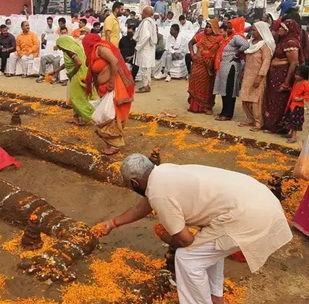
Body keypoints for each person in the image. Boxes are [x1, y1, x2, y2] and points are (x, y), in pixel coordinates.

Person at [95, 154, 292, 304]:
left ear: (135, 183)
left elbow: (185, 240)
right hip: (259, 198)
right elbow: (142, 207)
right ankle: (216, 298)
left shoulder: (159, 193)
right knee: (207, 250)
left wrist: (166, 237)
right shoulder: (163, 172)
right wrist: (112, 223)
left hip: (247, 215)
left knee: (187, 258)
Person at [82, 34, 134, 155]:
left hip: (114, 86)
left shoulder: (100, 48)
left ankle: (114, 145)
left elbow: (114, 61)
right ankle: (111, 143)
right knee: (106, 115)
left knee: (109, 116)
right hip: (105, 88)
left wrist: (111, 82)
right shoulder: (94, 52)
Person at [264, 19, 302, 133]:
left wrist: (286, 82)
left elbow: (294, 63)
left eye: (282, 27)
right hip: (275, 74)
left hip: (282, 75)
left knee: (279, 100)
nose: (279, 29)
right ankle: (271, 124)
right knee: (273, 99)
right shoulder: (284, 41)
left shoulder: (291, 42)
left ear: (288, 30)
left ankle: (277, 126)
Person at [50, 36, 95, 126]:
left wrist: (71, 73)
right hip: (83, 74)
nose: (59, 48)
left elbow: (78, 62)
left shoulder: (70, 51)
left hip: (77, 75)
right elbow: (68, 63)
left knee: (76, 98)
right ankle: (77, 117)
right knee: (80, 96)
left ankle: (87, 117)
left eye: (59, 46)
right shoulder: (74, 48)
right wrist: (56, 70)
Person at [238, 21, 274, 132]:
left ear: (261, 31)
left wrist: (260, 77)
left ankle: (258, 122)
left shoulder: (265, 45)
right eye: (251, 30)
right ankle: (250, 119)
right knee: (245, 97)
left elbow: (266, 62)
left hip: (258, 76)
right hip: (248, 74)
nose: (251, 32)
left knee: (256, 100)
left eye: (254, 30)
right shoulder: (252, 42)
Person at [213, 18, 249, 121]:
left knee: (229, 90)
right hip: (224, 67)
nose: (228, 30)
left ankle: (228, 114)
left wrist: (237, 54)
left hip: (231, 67)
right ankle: (224, 111)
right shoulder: (230, 37)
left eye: (230, 28)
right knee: (224, 90)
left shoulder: (237, 37)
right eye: (228, 28)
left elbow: (246, 45)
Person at [187, 19, 223, 114]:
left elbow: (220, 52)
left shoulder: (219, 38)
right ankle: (194, 107)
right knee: (195, 83)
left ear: (215, 28)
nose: (207, 29)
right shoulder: (200, 35)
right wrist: (192, 54)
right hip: (197, 64)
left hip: (208, 66)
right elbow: (190, 43)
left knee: (208, 86)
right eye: (206, 26)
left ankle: (207, 107)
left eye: (210, 27)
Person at [280, 65, 309, 143]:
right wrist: (286, 89)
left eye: (298, 75)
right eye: (296, 74)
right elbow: (293, 90)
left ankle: (294, 137)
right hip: (292, 104)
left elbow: (307, 94)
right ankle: (291, 134)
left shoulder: (305, 83)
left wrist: (300, 98)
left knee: (295, 122)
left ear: (304, 75)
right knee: (290, 120)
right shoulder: (296, 82)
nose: (296, 76)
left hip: (298, 106)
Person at [133, 6, 157, 93]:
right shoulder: (152, 22)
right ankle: (147, 85)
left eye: (143, 12)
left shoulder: (146, 22)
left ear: (146, 13)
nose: (142, 14)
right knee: (147, 68)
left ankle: (145, 86)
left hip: (145, 48)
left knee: (144, 67)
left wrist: (138, 47)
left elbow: (146, 36)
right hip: (149, 47)